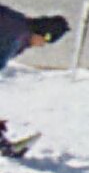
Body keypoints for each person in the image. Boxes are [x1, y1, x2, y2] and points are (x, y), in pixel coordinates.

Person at [0, 8, 70, 156]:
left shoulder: (20, 26)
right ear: (42, 33)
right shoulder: (16, 35)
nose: (42, 45)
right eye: (46, 40)